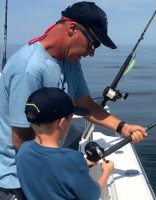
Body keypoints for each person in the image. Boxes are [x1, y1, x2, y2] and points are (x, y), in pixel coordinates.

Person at [0, 1, 147, 199]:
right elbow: (21, 140)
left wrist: (122, 127)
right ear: (72, 29)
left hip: (46, 164)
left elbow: (85, 104)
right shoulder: (29, 69)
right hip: (18, 179)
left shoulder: (71, 62)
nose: (92, 52)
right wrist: (68, 169)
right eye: (93, 43)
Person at [16, 87, 114, 200]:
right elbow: (92, 195)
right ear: (62, 123)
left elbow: (48, 168)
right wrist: (106, 172)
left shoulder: (23, 151)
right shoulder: (71, 160)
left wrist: (85, 162)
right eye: (70, 118)